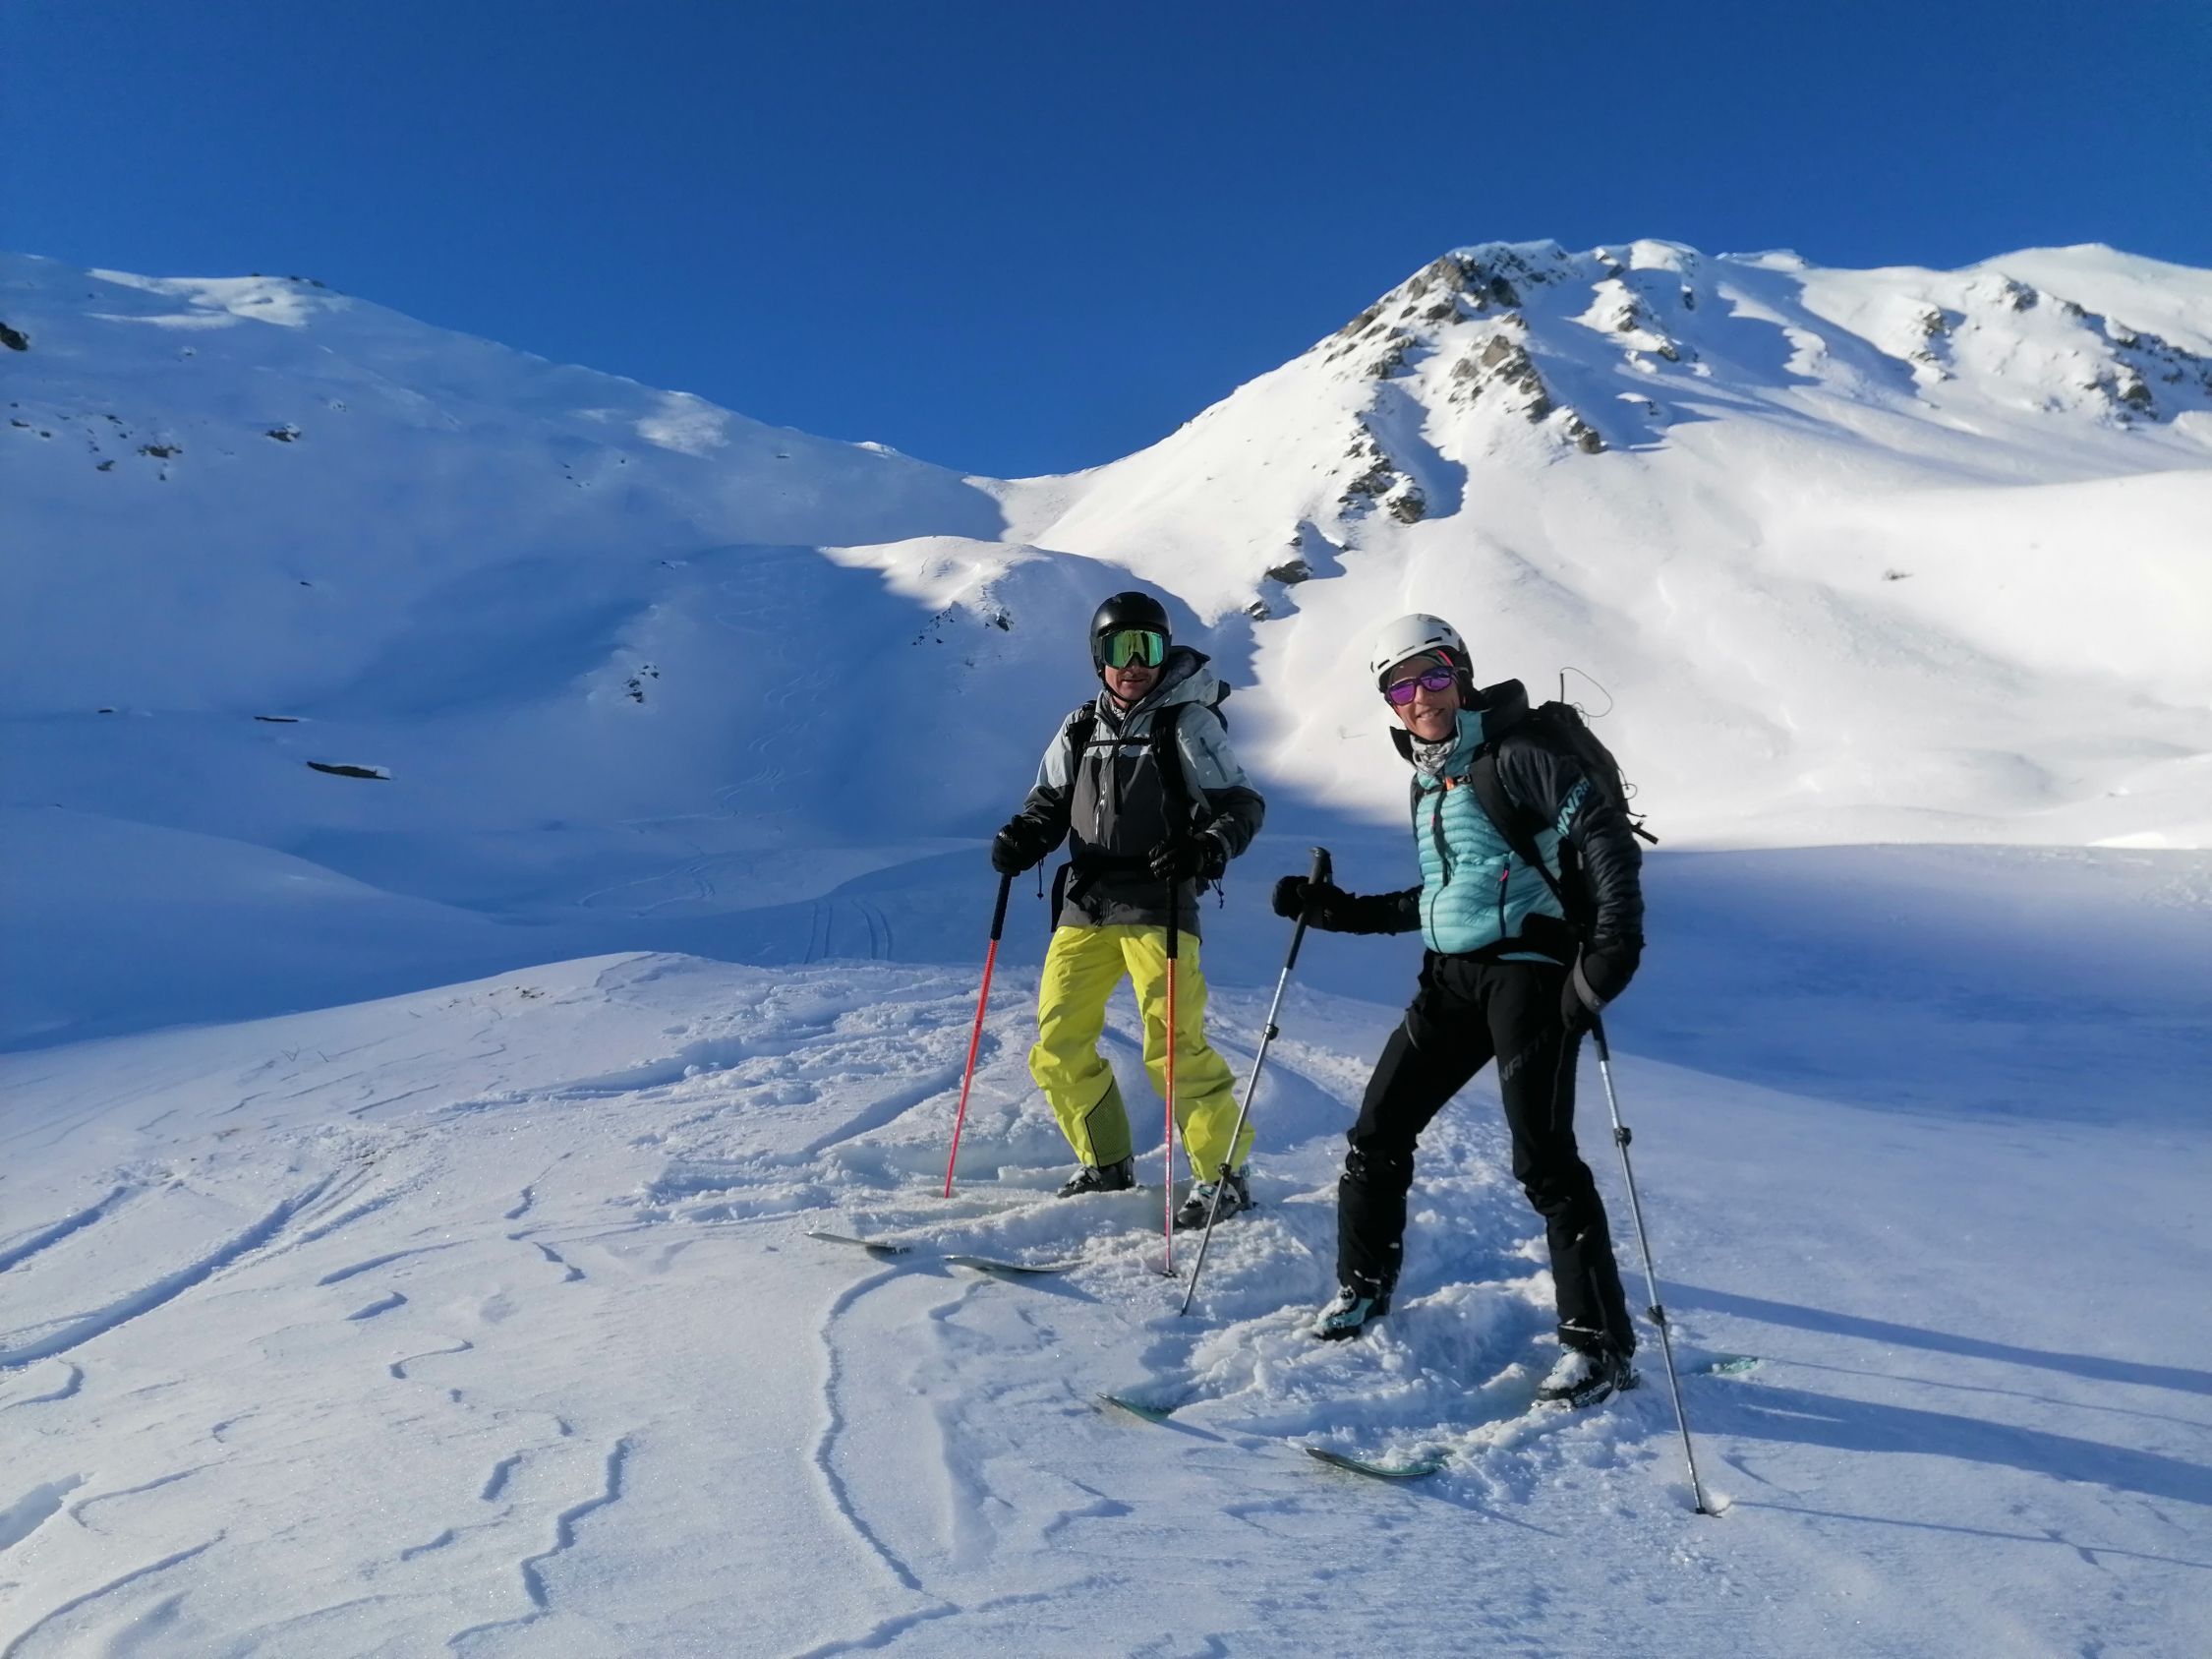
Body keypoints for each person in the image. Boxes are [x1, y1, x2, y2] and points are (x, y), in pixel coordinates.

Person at [1271, 614, 1647, 1408]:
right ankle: (1363, 1285)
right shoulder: (1429, 778)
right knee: (1378, 1131)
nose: (1420, 696)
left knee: (1544, 1162)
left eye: (1434, 675)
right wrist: (1339, 911)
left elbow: (1604, 835)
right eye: (1400, 686)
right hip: (1451, 979)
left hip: (1529, 977)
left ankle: (1599, 1345)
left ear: (1462, 675)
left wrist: (1612, 948)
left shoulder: (1519, 753)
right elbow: (1448, 892)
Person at [990, 591, 1267, 1225]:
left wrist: (1206, 846)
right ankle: (1106, 1162)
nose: (1135, 662)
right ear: (1100, 657)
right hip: (1087, 902)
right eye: (1121, 648)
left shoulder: (1185, 723)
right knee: (1058, 1042)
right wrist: (1023, 837)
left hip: (1161, 902)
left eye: (1149, 646)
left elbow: (1241, 805)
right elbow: (1049, 804)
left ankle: (1223, 1177)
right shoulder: (1080, 727)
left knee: (1174, 1045)